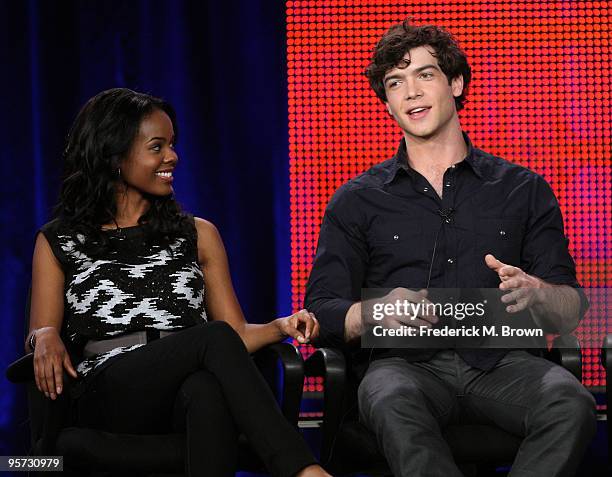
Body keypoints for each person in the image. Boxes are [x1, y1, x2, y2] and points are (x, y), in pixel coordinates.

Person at [305, 20, 596, 476]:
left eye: (425, 75)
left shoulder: (523, 189)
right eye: (395, 83)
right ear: (387, 103)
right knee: (392, 402)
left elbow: (570, 309)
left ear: (455, 83)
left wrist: (538, 292)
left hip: (505, 362)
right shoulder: (357, 199)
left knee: (570, 403)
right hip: (404, 366)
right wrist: (375, 310)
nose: (411, 92)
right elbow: (320, 311)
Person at [27, 88, 331, 477]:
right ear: (115, 155)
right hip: (107, 389)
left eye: (172, 145)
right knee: (212, 339)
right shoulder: (61, 239)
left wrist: (280, 327)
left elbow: (233, 334)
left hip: (182, 386)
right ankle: (303, 470)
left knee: (206, 389)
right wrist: (45, 333)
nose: (172, 157)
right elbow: (40, 330)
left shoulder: (198, 234)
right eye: (157, 147)